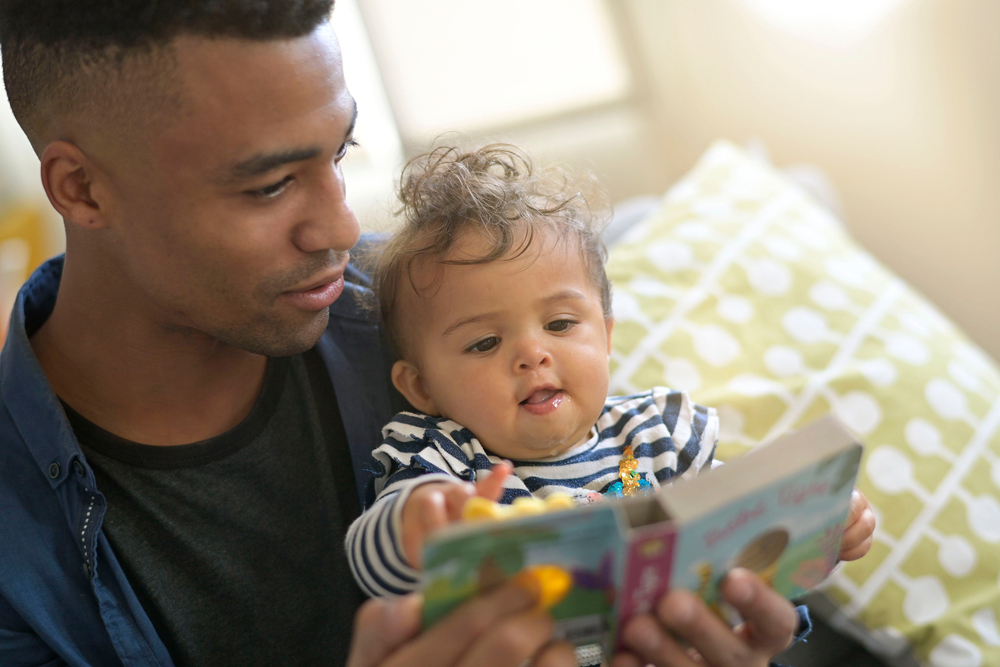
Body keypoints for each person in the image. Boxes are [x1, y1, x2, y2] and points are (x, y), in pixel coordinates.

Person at [0, 1, 868, 666]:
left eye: (338, 156)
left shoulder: (440, 301)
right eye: (269, 187)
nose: (341, 228)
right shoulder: (17, 550)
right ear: (80, 189)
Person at [344, 145, 874, 605]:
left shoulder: (659, 436)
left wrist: (819, 530)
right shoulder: (445, 461)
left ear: (606, 336)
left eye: (559, 323)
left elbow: (742, 552)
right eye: (485, 342)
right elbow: (374, 570)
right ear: (422, 388)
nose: (532, 355)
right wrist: (415, 523)